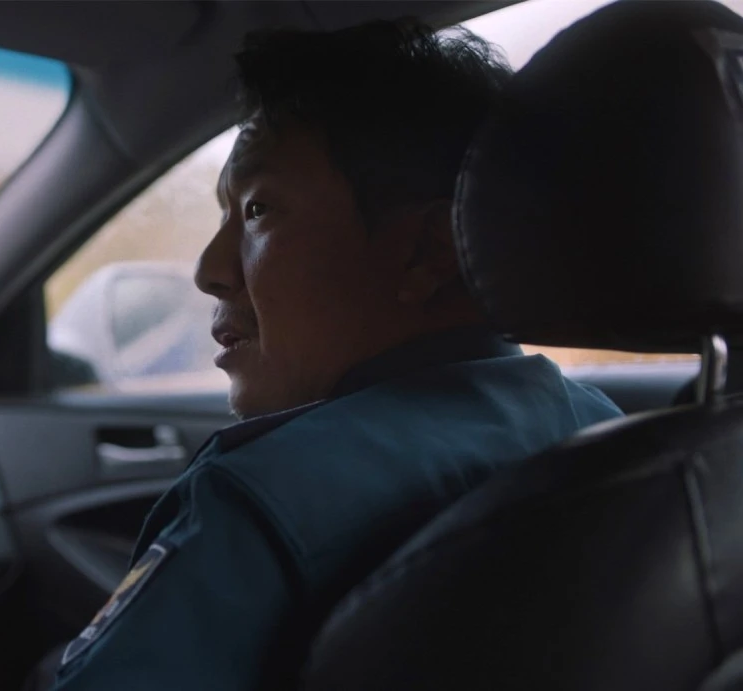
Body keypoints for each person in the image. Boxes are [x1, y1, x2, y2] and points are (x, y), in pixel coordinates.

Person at [37, 20, 623, 691]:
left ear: (426, 252)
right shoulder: (609, 434)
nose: (208, 270)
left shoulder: (261, 496)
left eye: (258, 211)